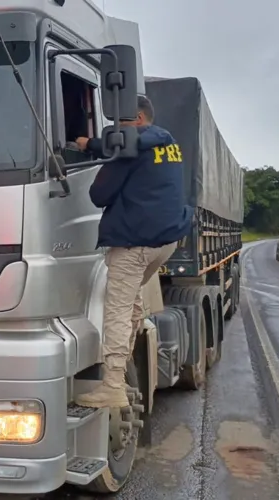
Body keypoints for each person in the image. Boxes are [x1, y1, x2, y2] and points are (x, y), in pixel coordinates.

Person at [72, 95, 193, 408]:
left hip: (135, 242)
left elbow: (99, 195)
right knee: (132, 301)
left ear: (138, 119)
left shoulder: (131, 147)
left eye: (120, 124)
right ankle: (124, 368)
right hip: (166, 242)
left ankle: (112, 384)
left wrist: (90, 147)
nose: (116, 131)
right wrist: (97, 146)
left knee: (117, 309)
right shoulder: (168, 143)